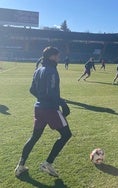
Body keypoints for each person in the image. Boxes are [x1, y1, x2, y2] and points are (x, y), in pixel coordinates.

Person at [15, 46, 72, 177]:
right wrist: (63, 104)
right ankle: (48, 163)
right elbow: (52, 92)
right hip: (50, 109)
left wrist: (41, 99)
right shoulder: (52, 70)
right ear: (51, 57)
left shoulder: (38, 70)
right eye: (57, 56)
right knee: (66, 135)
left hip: (38, 108)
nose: (59, 58)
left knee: (34, 137)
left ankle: (20, 166)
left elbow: (32, 90)